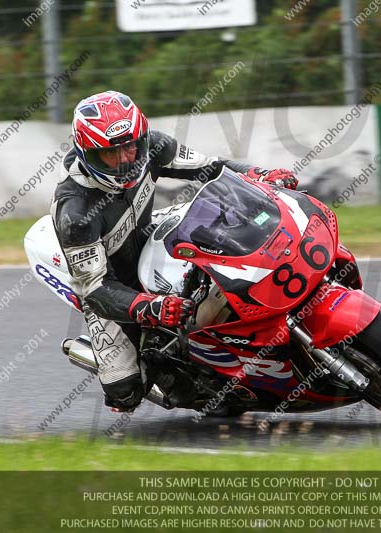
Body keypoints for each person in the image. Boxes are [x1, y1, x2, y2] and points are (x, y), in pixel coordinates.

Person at [51, 90, 298, 413]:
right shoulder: (75, 212)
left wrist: (258, 175)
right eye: (110, 154)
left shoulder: (151, 145)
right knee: (124, 393)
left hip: (152, 235)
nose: (126, 160)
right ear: (87, 154)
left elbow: (211, 168)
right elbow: (94, 288)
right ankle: (180, 381)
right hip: (113, 283)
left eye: (131, 147)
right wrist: (150, 308)